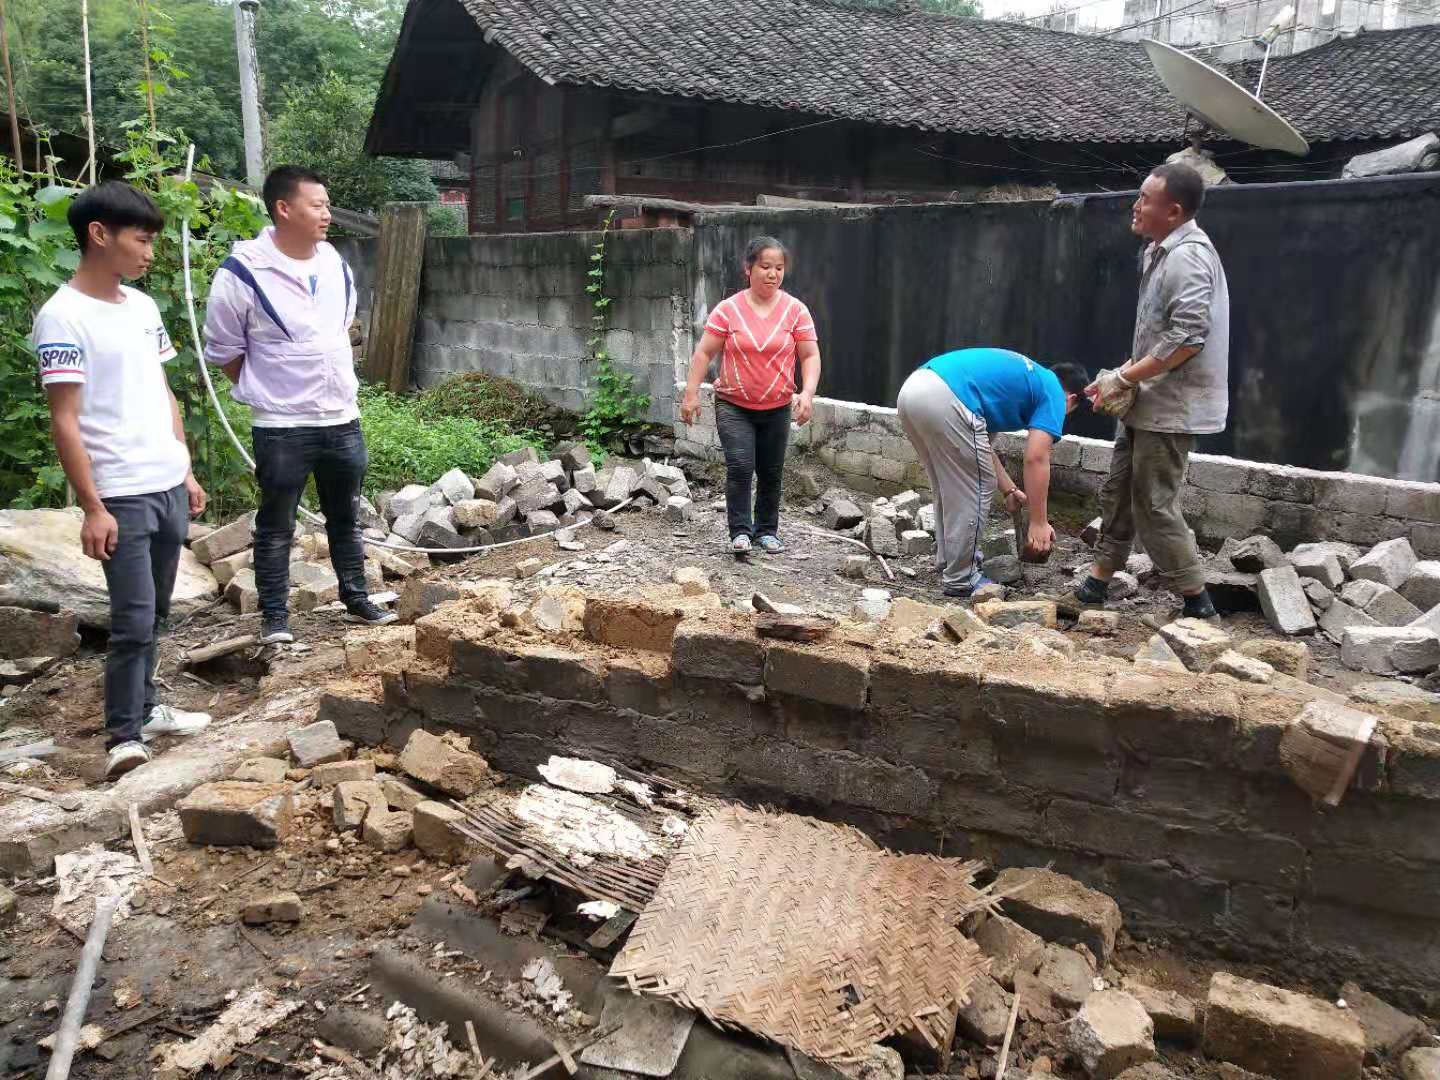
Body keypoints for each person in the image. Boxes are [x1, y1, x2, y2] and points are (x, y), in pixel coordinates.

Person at [36, 183, 212, 780]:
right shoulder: (62, 316)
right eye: (142, 239)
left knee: (158, 611)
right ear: (99, 234)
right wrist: (92, 506)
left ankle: (148, 706)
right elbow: (65, 419)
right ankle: (123, 738)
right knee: (133, 617)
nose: (149, 252)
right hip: (121, 493)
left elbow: (163, 392)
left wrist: (184, 468)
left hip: (165, 484)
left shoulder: (141, 308)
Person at [204, 165, 395, 645]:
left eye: (328, 205)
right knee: (276, 523)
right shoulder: (242, 271)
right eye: (318, 205)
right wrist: (268, 390)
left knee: (345, 516)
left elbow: (340, 328)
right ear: (284, 209)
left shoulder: (333, 262)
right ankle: (275, 618)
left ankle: (356, 598)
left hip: (341, 418)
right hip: (282, 425)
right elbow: (224, 350)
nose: (327, 214)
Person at [1076, 162, 1229, 620]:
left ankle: (1198, 602)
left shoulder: (1188, 257)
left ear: (1174, 210)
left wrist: (1125, 379)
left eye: (1145, 198)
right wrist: (1116, 376)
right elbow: (1156, 337)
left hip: (1172, 408)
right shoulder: (1158, 251)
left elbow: (1187, 338)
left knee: (1154, 504)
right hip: (1147, 400)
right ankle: (1095, 586)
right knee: (1118, 490)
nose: (1135, 206)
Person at [897, 348, 1088, 597]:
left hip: (915, 388)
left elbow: (981, 448)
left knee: (950, 485)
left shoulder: (1014, 385)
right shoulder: (1053, 390)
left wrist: (1009, 489)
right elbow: (1037, 457)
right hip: (947, 396)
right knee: (977, 485)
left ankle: (948, 562)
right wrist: (1039, 522)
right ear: (1071, 399)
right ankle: (961, 577)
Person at [679, 237, 821, 554]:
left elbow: (809, 356)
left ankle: (767, 531)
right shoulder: (728, 310)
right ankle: (740, 532)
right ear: (748, 268)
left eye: (779, 268)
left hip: (778, 406)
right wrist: (691, 394)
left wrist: (808, 393)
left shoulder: (796, 311)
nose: (772, 274)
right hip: (734, 405)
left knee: (771, 471)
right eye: (765, 266)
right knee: (741, 466)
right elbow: (704, 353)